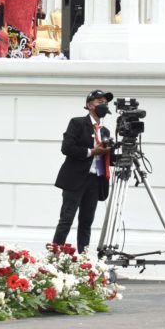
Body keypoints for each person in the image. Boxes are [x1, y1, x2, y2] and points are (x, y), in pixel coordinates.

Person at [54, 90, 113, 253]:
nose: (103, 105)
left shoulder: (105, 131)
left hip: (95, 180)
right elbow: (67, 148)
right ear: (89, 105)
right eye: (99, 101)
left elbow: (108, 159)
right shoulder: (77, 123)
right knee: (66, 220)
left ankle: (84, 259)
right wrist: (92, 151)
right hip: (75, 179)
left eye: (105, 103)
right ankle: (54, 255)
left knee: (87, 221)